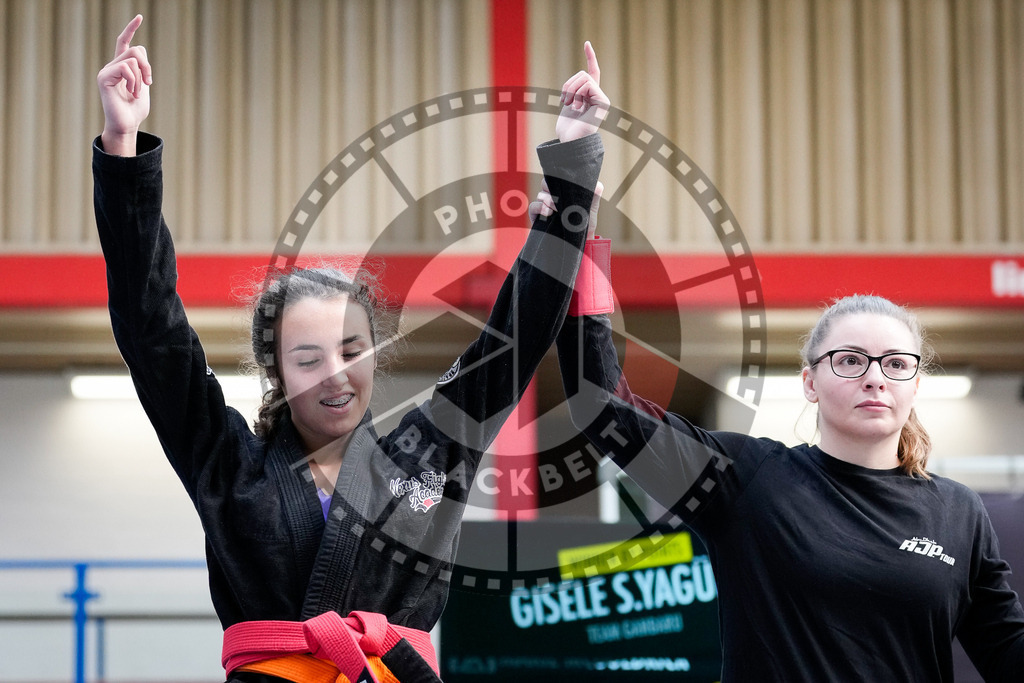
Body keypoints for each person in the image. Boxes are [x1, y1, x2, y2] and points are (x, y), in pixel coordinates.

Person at [94, 14, 607, 682]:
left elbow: (516, 336)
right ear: (276, 369)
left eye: (351, 349)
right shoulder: (227, 463)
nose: (334, 374)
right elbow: (150, 326)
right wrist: (122, 144)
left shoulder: (429, 453)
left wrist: (573, 168)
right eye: (307, 358)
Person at [545, 197, 1024, 679]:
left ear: (915, 384)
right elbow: (601, 405)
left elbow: (1007, 652)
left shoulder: (959, 512)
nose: (876, 378)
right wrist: (573, 233)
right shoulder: (749, 479)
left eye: (896, 364)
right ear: (810, 383)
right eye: (851, 360)